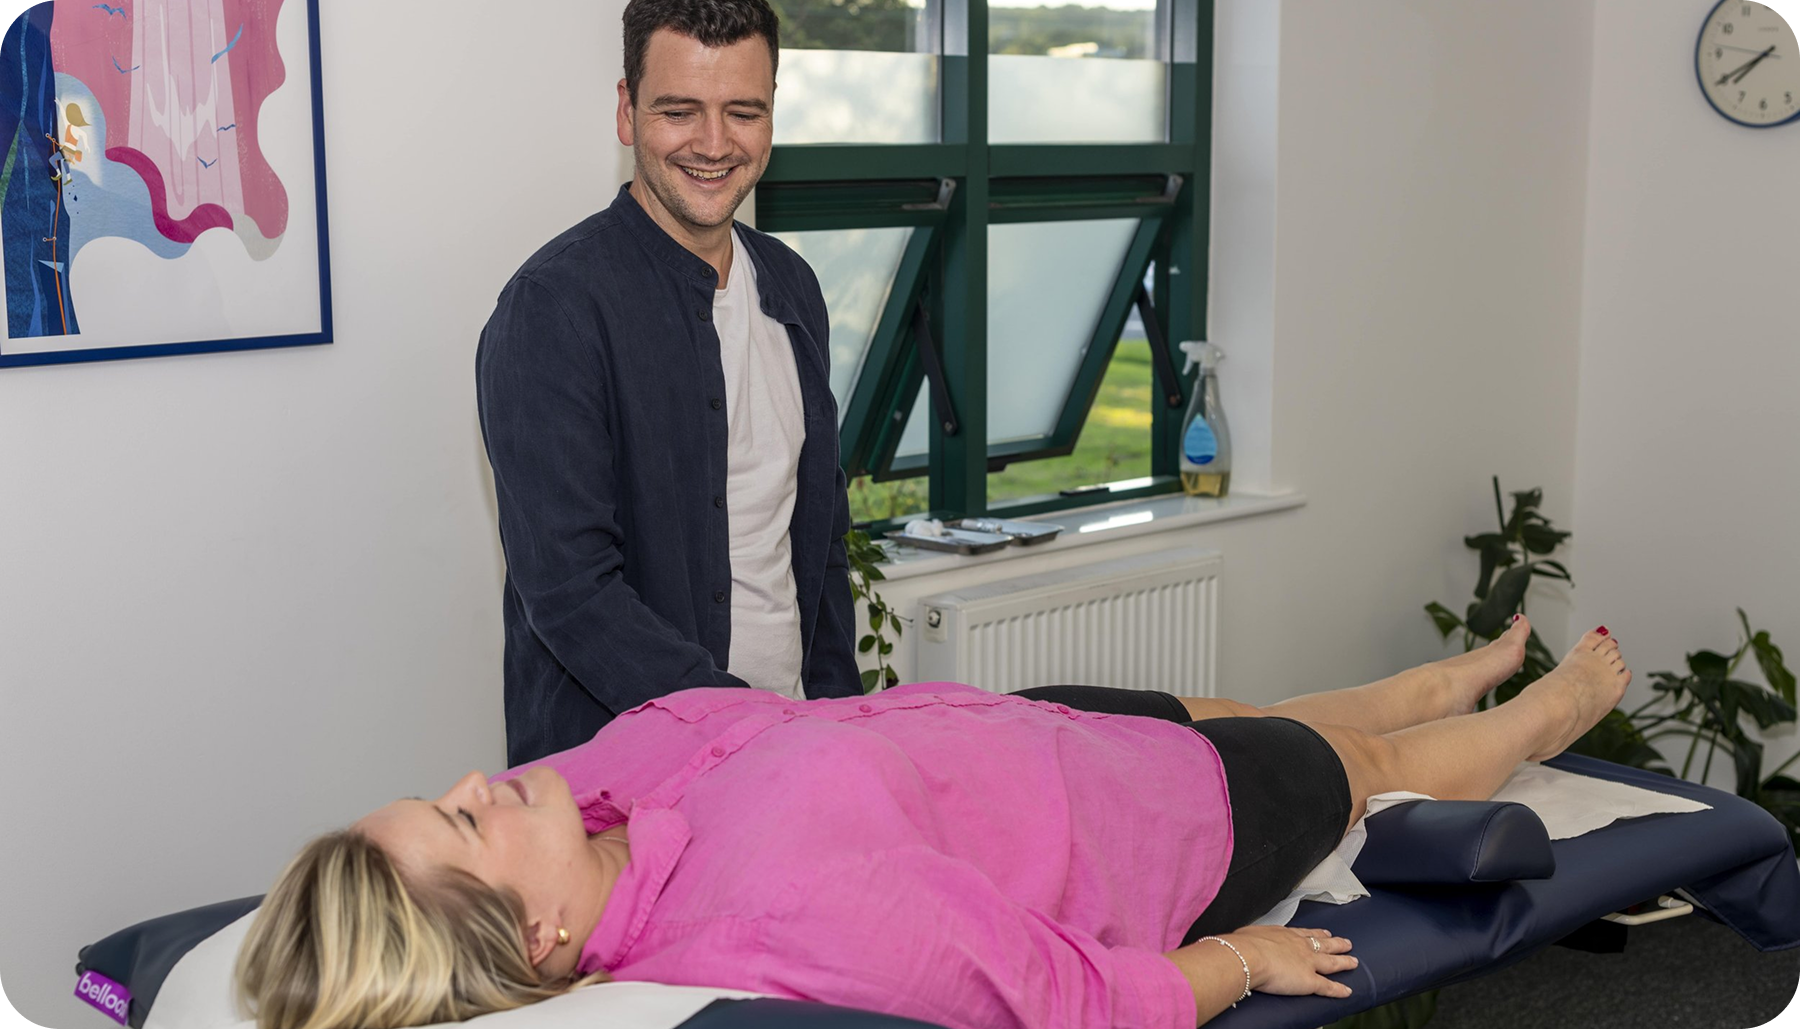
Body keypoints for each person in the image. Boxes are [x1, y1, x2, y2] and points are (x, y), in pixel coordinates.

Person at [235, 618, 1633, 1029]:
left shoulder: (586, 797)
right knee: (1363, 762)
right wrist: (1235, 961)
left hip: (1006, 734)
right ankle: (1542, 717)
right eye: (461, 824)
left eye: (444, 793)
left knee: (1253, 703)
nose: (476, 781)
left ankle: (1430, 678)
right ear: (538, 936)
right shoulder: (778, 911)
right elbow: (1058, 999)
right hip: (1161, 828)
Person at [475, 0, 860, 767]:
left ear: (772, 113)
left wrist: (838, 726)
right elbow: (573, 595)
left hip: (791, 759)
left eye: (742, 112)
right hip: (621, 781)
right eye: (679, 111)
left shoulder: (793, 287)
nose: (713, 144)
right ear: (627, 111)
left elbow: (820, 549)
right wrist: (747, 730)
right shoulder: (552, 309)